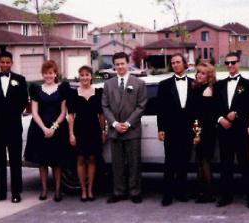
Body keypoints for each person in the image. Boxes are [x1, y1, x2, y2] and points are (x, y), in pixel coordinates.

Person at [214, 52, 249, 208]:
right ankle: (226, 196)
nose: (230, 65)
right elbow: (214, 107)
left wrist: (237, 113)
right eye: (227, 63)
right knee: (225, 165)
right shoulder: (219, 85)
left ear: (239, 63)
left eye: (233, 62)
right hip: (224, 130)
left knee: (246, 164)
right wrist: (221, 119)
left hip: (241, 130)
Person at [102, 52, 147, 204]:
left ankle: (135, 192)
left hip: (132, 129)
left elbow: (141, 106)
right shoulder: (108, 84)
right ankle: (118, 192)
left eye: (122, 63)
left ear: (128, 64)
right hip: (115, 130)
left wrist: (127, 124)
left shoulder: (138, 83)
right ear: (114, 66)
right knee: (117, 164)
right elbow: (105, 106)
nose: (120, 66)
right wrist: (114, 124)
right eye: (117, 64)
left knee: (134, 163)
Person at [24, 60, 70, 202]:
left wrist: (53, 128)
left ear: (55, 73)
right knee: (42, 162)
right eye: (45, 73)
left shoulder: (62, 89)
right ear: (42, 74)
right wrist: (44, 128)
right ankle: (44, 190)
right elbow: (35, 112)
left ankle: (57, 190)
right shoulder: (36, 89)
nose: (48, 75)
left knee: (57, 162)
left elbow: (63, 112)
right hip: (40, 129)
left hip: (58, 129)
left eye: (51, 73)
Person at [0, 51, 28, 203]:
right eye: (2, 62)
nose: (5, 64)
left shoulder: (20, 80)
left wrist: (12, 112)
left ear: (12, 63)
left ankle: (16, 193)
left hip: (14, 125)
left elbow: (23, 100)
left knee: (15, 161)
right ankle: (0, 193)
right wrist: (3, 112)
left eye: (7, 62)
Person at [157, 53, 194, 206]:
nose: (176, 65)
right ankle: (167, 195)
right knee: (170, 163)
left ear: (184, 64)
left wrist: (196, 131)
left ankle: (181, 192)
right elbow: (161, 109)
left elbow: (197, 111)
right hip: (171, 129)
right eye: (173, 63)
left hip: (187, 129)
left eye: (178, 62)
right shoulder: (164, 84)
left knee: (184, 162)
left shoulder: (194, 83)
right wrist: (161, 128)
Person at [67, 65, 106, 202]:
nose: (85, 77)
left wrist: (103, 131)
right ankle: (83, 190)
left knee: (92, 159)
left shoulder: (98, 92)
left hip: (94, 129)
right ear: (79, 77)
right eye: (82, 75)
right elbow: (71, 115)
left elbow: (101, 115)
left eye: (87, 75)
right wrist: (71, 134)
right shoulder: (73, 94)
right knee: (80, 159)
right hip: (79, 129)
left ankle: (90, 190)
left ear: (91, 76)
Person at [191, 62, 218, 203]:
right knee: (200, 161)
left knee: (205, 161)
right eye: (198, 72)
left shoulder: (208, 91)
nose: (199, 75)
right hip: (201, 128)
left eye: (203, 73)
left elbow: (204, 117)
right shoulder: (199, 88)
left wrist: (197, 134)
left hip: (206, 131)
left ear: (209, 76)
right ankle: (202, 191)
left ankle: (209, 193)